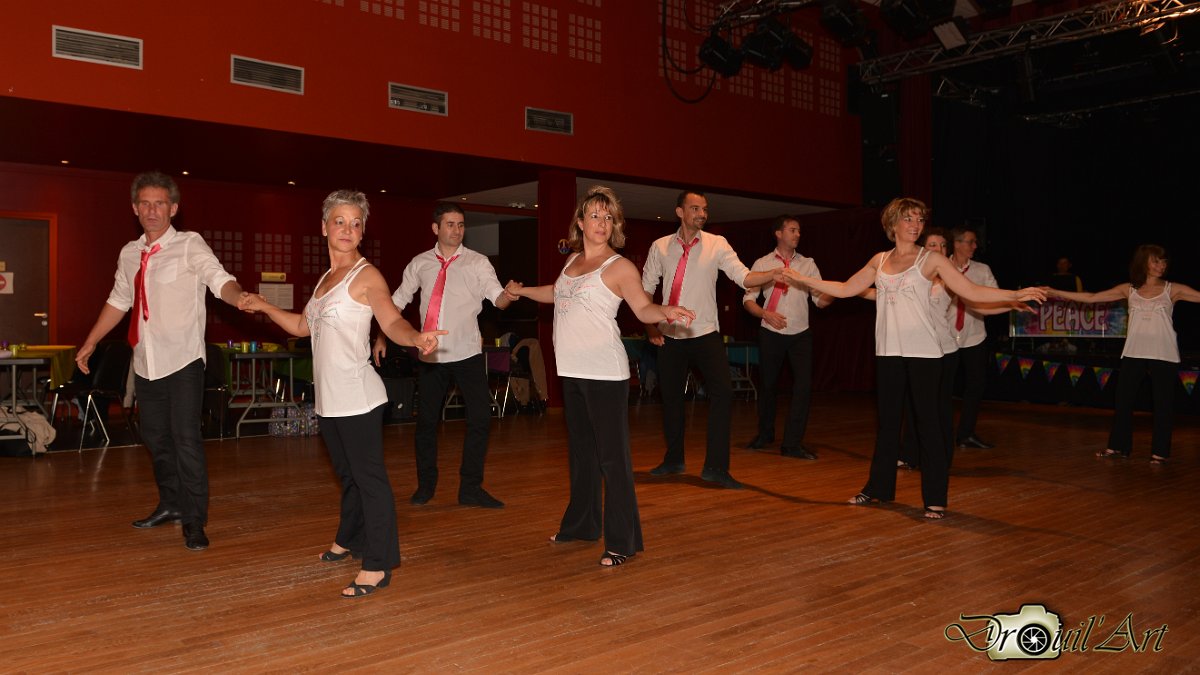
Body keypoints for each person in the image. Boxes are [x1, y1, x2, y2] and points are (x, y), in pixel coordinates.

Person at [779, 198, 1044, 518]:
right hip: (888, 352)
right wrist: (803, 279)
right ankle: (878, 489)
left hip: (925, 354)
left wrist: (1013, 295)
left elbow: (971, 291)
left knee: (928, 425)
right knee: (888, 425)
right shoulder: (879, 260)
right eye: (908, 219)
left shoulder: (931, 259)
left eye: (919, 219)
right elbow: (847, 288)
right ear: (892, 224)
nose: (915, 225)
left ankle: (935, 498)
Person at [240, 190, 444, 598]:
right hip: (330, 400)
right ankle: (349, 539)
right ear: (324, 227)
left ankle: (379, 564)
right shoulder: (325, 279)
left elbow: (391, 320)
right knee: (348, 477)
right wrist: (265, 306)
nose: (347, 229)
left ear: (362, 232)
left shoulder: (367, 277)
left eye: (355, 223)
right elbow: (302, 327)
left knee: (369, 481)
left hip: (357, 396)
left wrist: (415, 338)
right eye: (340, 221)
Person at [505, 186, 695, 567]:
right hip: (572, 371)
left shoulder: (619, 267)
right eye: (595, 215)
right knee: (582, 455)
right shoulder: (572, 261)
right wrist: (523, 291)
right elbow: (558, 293)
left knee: (613, 459)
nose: (602, 223)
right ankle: (582, 525)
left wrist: (665, 311)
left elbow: (642, 308)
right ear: (580, 222)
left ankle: (623, 541)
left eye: (608, 217)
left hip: (605, 373)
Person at [75, 171, 245, 551]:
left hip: (183, 360)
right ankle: (171, 503)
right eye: (145, 204)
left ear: (174, 208)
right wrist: (90, 341)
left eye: (160, 203)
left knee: (186, 439)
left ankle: (195, 520)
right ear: (135, 208)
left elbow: (218, 279)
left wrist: (239, 297)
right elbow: (119, 300)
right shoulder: (129, 253)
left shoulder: (189, 245)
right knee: (155, 437)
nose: (152, 210)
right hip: (146, 362)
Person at [373, 203, 511, 509]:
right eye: (450, 224)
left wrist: (508, 296)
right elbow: (396, 302)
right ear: (436, 228)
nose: (457, 230)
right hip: (431, 356)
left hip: (468, 354)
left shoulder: (477, 262)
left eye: (461, 224)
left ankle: (470, 489)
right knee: (426, 423)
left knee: (480, 421)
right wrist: (381, 336)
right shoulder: (420, 263)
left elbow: (497, 298)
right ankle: (426, 486)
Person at [640, 190, 776, 490]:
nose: (702, 214)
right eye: (695, 208)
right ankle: (674, 459)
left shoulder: (717, 244)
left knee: (723, 394)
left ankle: (716, 468)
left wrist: (771, 275)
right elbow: (646, 289)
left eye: (704, 209)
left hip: (705, 334)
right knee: (671, 399)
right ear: (680, 212)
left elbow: (743, 277)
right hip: (670, 334)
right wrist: (651, 327)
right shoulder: (660, 246)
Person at [1043, 245, 1200, 465]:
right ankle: (1118, 447)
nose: (1161, 266)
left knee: (1163, 404)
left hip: (1164, 353)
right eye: (1156, 261)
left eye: (1164, 262)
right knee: (1123, 402)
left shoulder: (1173, 289)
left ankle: (1160, 452)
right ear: (1143, 262)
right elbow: (1092, 297)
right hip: (1134, 352)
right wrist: (1055, 292)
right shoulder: (1129, 289)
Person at [742, 215, 832, 460]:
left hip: (800, 334)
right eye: (792, 230)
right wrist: (765, 314)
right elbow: (748, 300)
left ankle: (792, 443)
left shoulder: (808, 264)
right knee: (768, 385)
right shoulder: (762, 263)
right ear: (779, 233)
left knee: (803, 387)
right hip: (770, 332)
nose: (797, 234)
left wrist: (836, 292)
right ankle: (765, 434)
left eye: (799, 231)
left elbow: (820, 300)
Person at [948, 224, 998, 450]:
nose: (975, 246)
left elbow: (994, 296)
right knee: (942, 387)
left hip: (974, 336)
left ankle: (966, 434)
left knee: (975, 386)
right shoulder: (941, 267)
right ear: (957, 243)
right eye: (970, 242)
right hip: (945, 337)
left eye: (975, 242)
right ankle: (940, 433)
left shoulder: (982, 270)